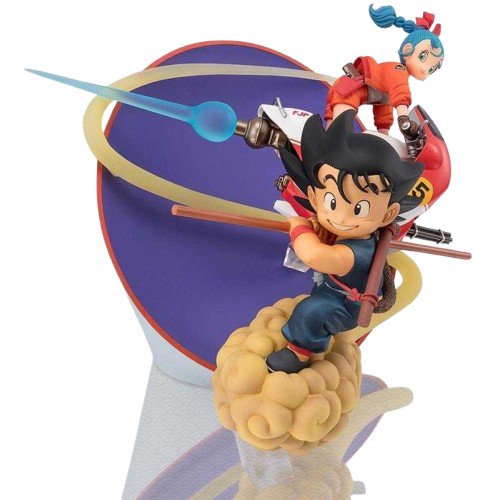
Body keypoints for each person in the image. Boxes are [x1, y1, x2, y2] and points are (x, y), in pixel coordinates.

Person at [266, 110, 423, 373]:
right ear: (314, 198)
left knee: (311, 311)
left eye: (359, 208)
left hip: (345, 305)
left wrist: (297, 226)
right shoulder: (345, 233)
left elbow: (315, 256)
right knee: (314, 304)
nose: (340, 218)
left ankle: (299, 354)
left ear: (388, 214)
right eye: (331, 202)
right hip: (330, 288)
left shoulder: (357, 252)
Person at [325, 4, 444, 136]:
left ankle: (328, 141)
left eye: (431, 69)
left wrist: (384, 135)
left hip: (345, 89)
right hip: (348, 91)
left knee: (330, 132)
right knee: (338, 132)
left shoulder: (387, 84)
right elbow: (401, 97)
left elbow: (384, 107)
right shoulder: (399, 71)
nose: (425, 70)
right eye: (422, 57)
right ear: (407, 50)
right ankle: (332, 140)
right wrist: (404, 120)